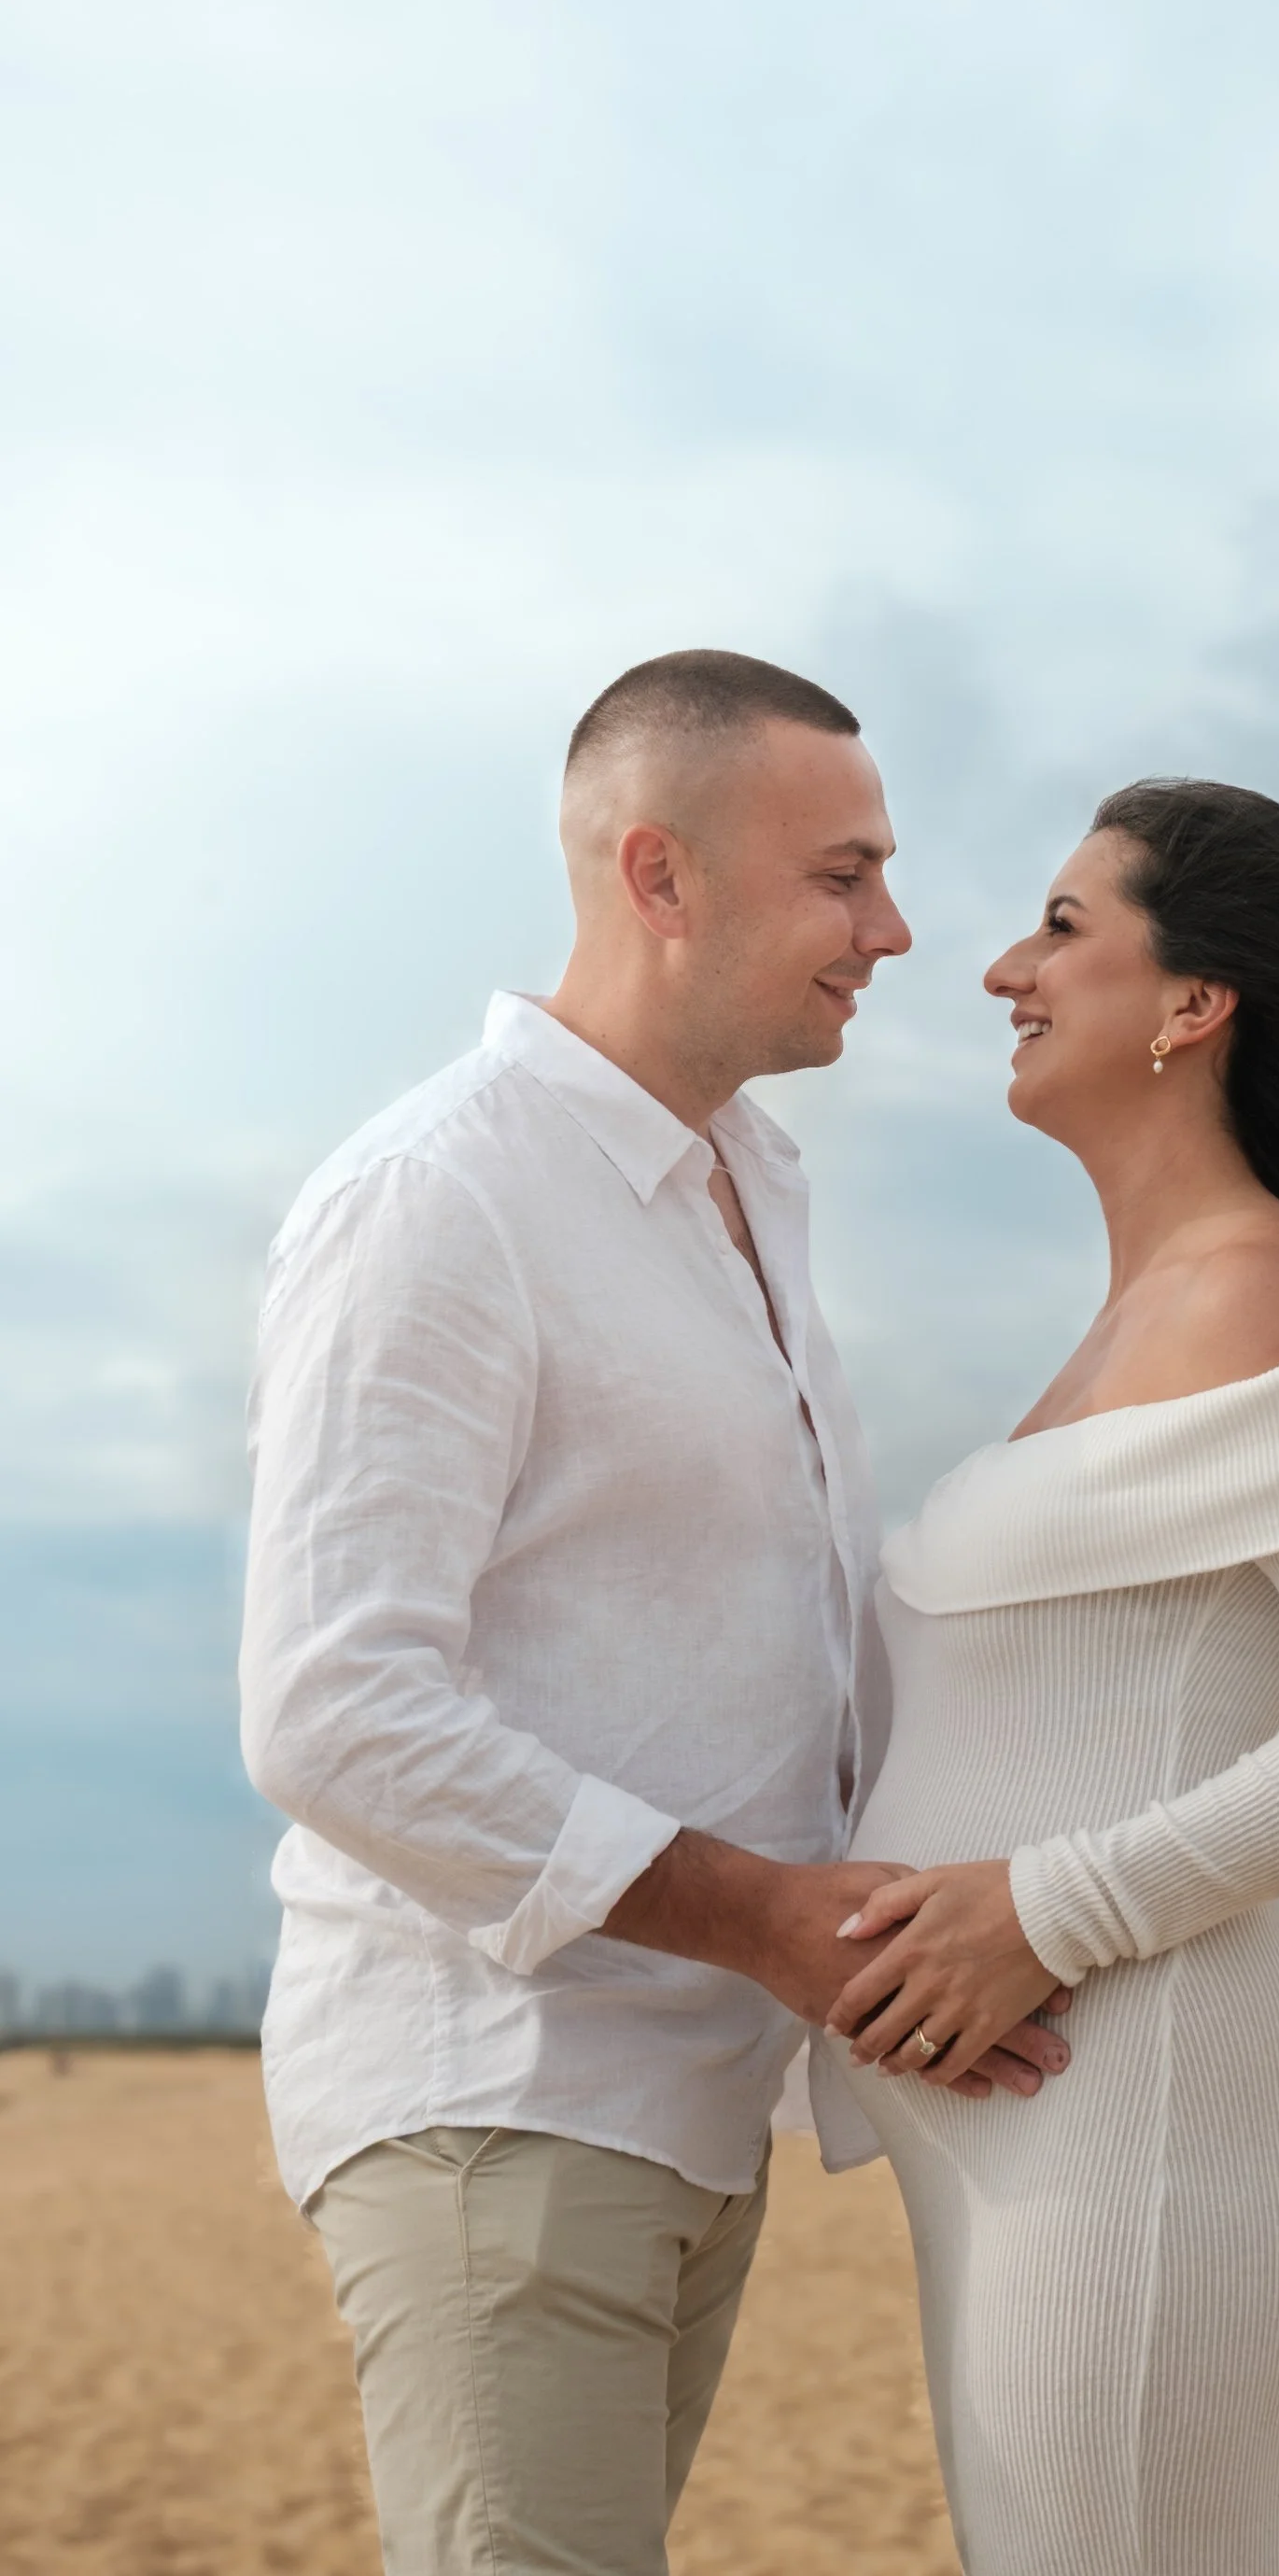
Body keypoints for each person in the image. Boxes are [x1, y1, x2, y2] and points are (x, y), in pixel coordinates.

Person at [238, 651, 1071, 2576]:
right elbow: (335, 1713)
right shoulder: (439, 1195)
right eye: (842, 876)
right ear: (660, 875)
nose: (896, 929)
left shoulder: (750, 1190)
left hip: (689, 2096)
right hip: (499, 2088)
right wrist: (767, 1919)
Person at [824, 778, 1279, 2576]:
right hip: (1043, 2134)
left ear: (1198, 1004)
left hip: (1149, 2132)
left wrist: (1049, 1911)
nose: (998, 969)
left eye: (1062, 928)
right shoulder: (1143, 1321)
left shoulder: (1264, 1298)